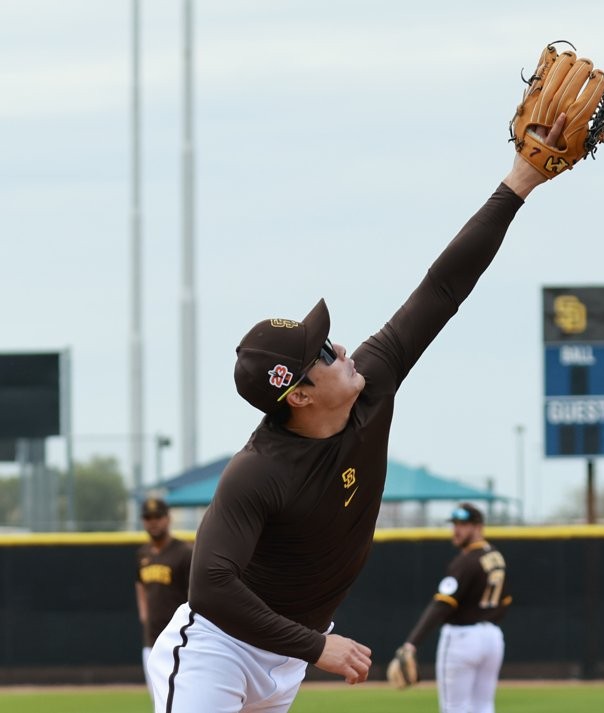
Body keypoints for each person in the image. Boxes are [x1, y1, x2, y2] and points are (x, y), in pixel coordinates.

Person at [144, 105, 572, 712]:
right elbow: (210, 588)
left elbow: (442, 288)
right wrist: (319, 647)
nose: (340, 347)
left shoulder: (371, 381)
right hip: (217, 649)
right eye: (321, 351)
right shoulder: (258, 471)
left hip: (286, 655)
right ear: (298, 394)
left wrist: (519, 181)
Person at [399, 503, 510, 713]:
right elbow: (506, 601)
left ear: (478, 527)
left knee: (454, 708)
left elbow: (442, 605)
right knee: (484, 707)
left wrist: (411, 643)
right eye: (455, 524)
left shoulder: (466, 562)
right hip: (492, 638)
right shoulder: (496, 556)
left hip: (462, 639)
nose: (457, 530)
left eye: (464, 524)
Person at [134, 497, 192, 703]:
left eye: (157, 517)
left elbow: (196, 593)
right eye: (148, 518)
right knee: (160, 703)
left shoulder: (185, 553)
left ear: (168, 519)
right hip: (152, 640)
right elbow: (139, 583)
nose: (153, 522)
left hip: (180, 641)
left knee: (183, 701)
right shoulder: (142, 554)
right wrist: (144, 614)